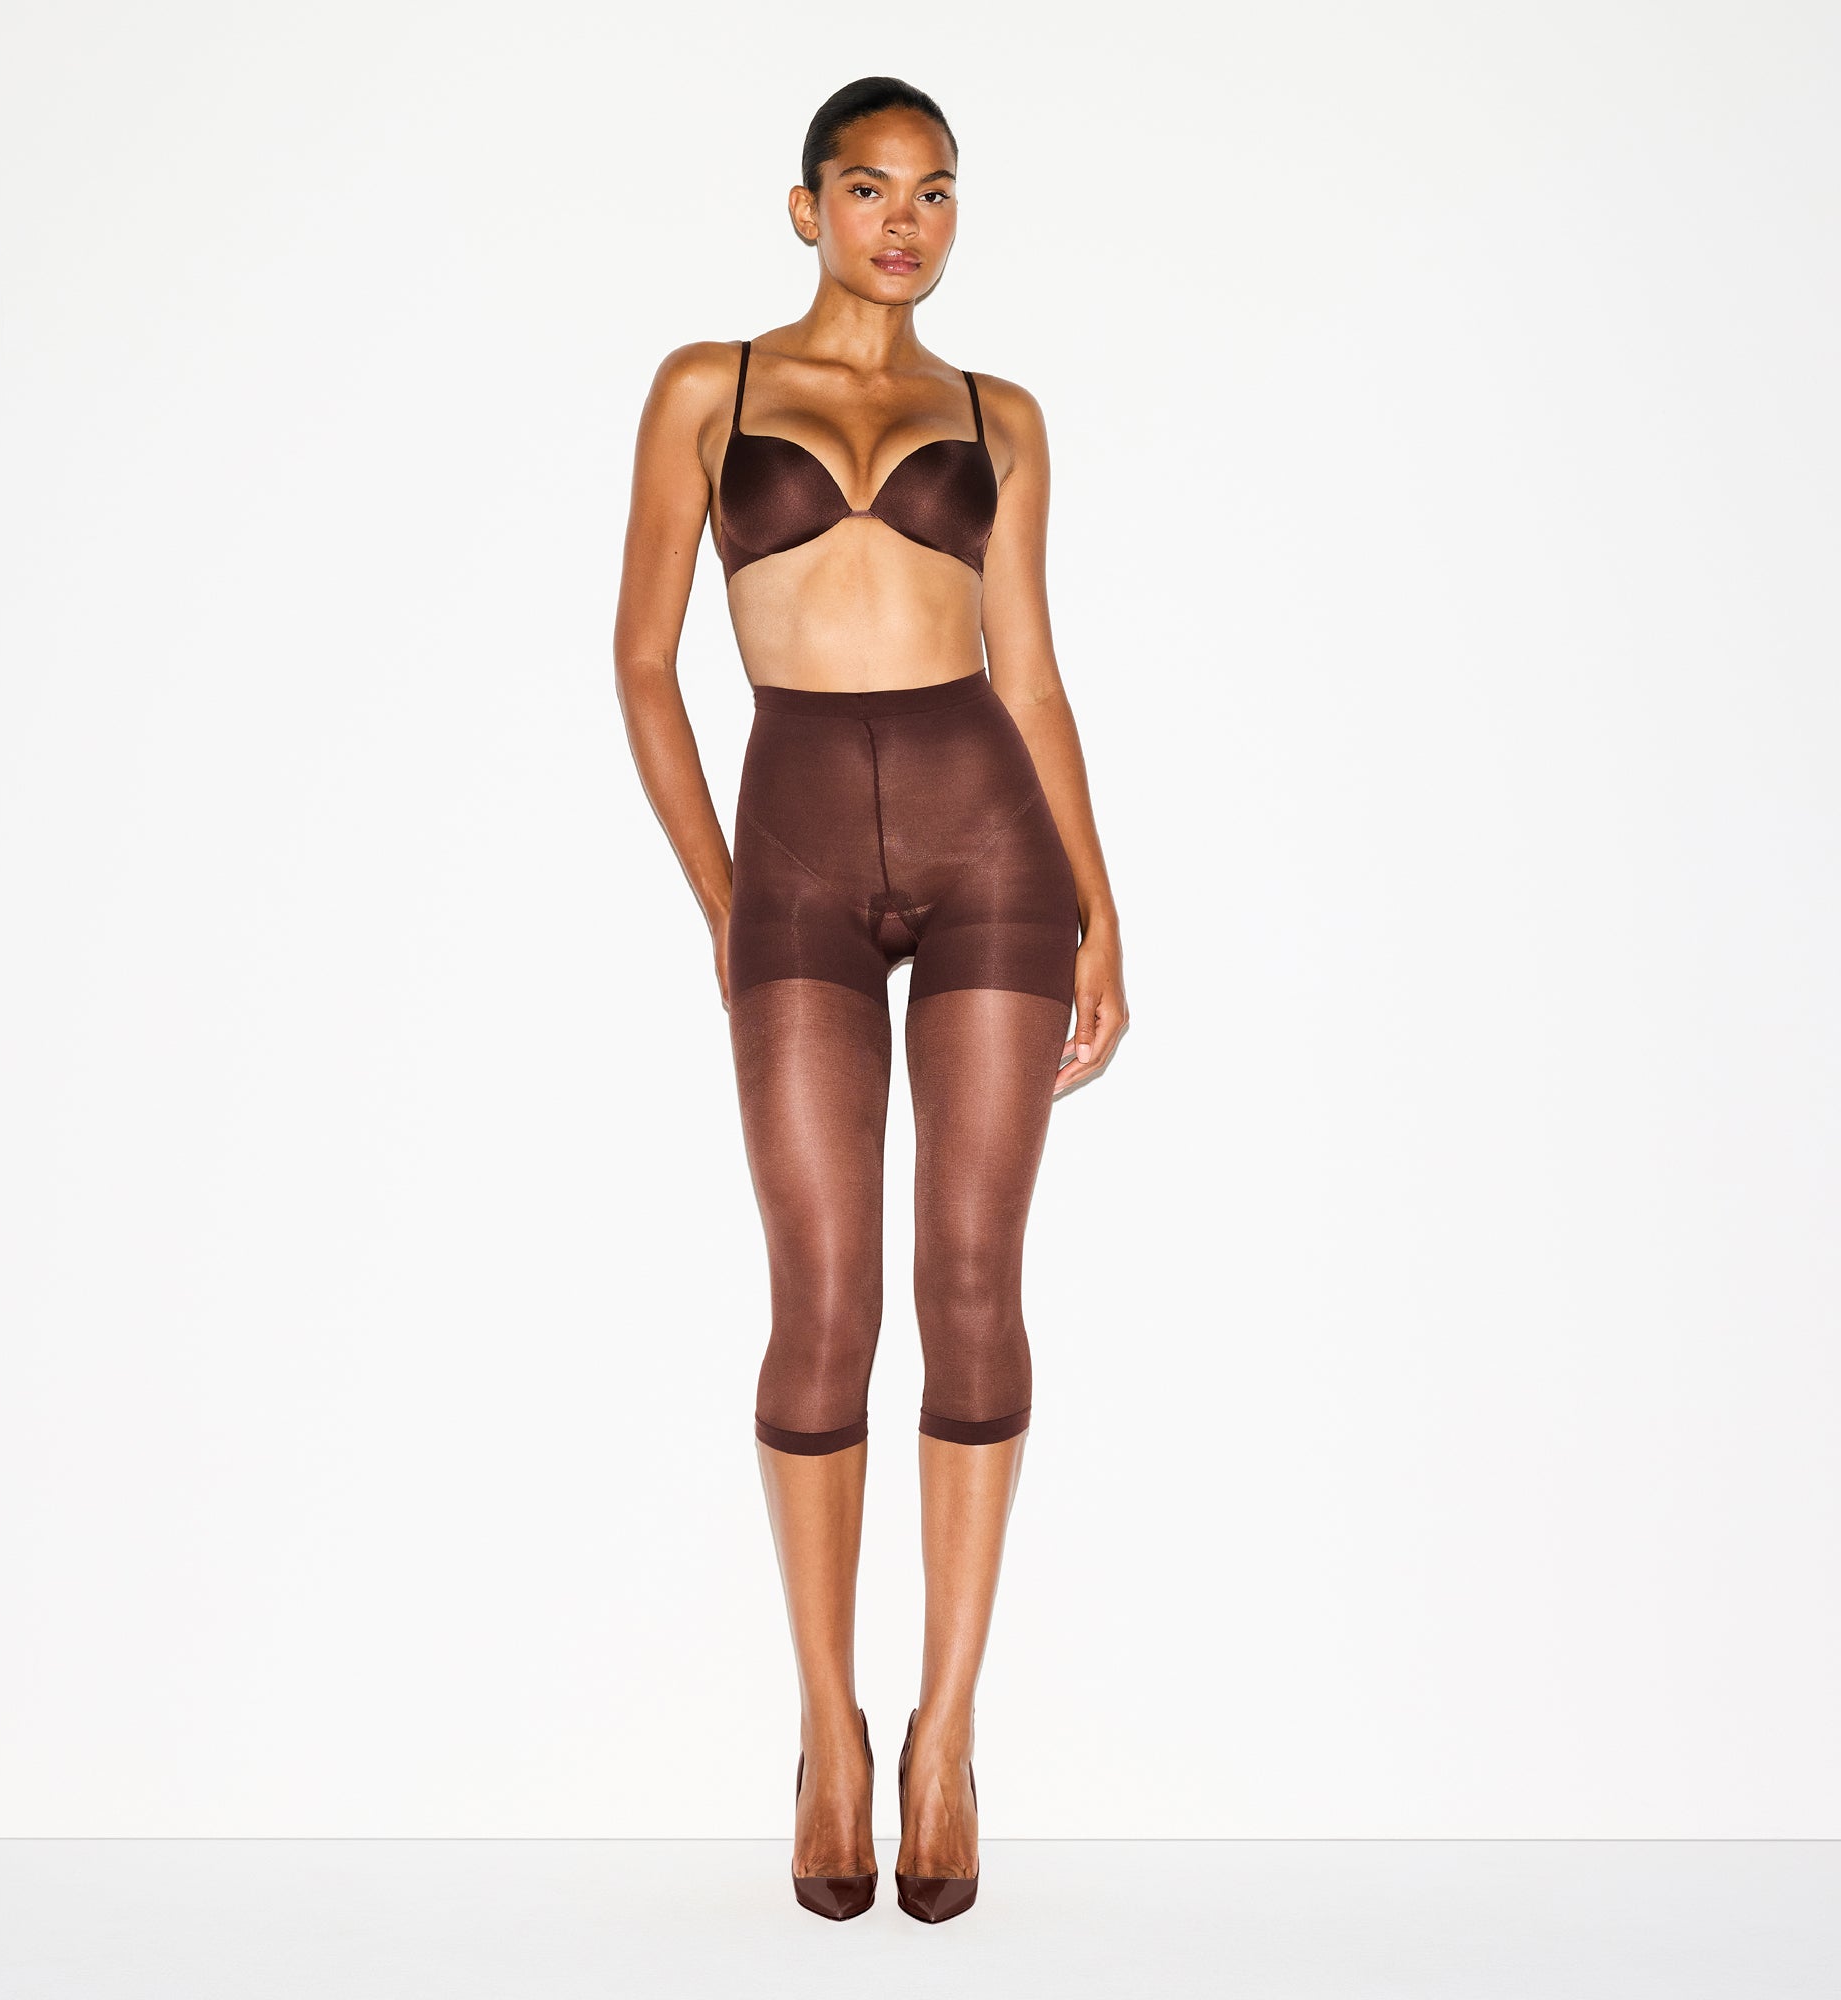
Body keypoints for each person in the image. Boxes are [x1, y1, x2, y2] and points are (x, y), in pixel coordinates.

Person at [613, 75, 1128, 1924]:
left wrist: (1103, 911)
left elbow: (1034, 677)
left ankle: (947, 1736)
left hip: (995, 850)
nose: (904, 222)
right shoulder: (710, 388)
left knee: (972, 1281)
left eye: (936, 193)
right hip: (795, 862)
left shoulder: (1000, 416)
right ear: (805, 207)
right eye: (868, 188)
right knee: (820, 1299)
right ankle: (829, 1729)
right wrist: (724, 894)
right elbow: (644, 666)